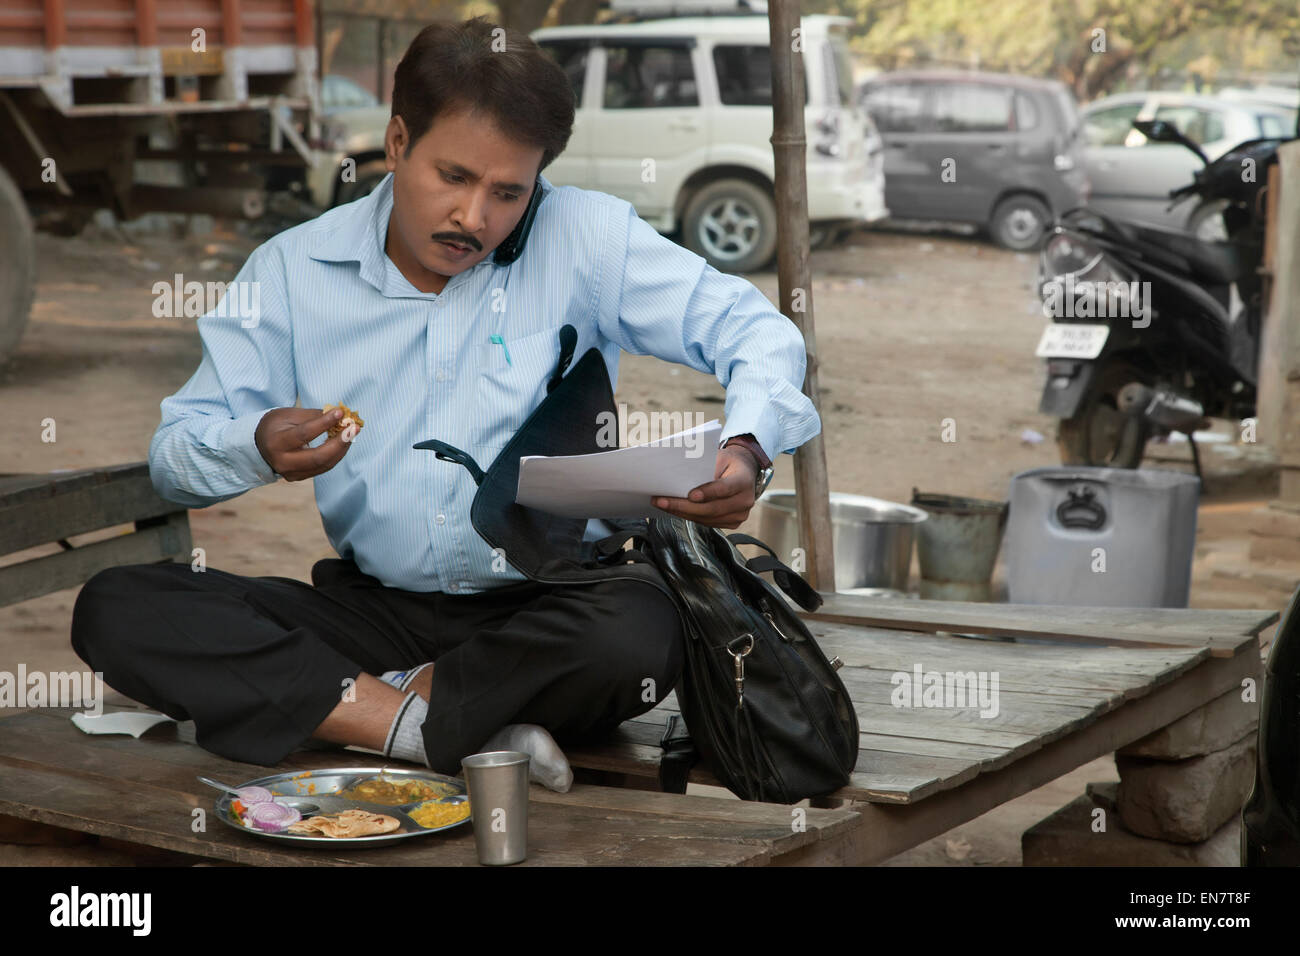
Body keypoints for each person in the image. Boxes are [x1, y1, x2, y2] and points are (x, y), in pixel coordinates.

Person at [70, 17, 821, 790]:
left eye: (508, 192)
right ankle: (431, 728)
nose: (475, 217)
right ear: (396, 144)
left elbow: (756, 330)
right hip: (374, 615)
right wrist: (254, 443)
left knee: (643, 630)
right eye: (453, 177)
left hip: (545, 609)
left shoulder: (587, 239)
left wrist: (749, 446)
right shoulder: (293, 269)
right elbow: (175, 456)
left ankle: (372, 711)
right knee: (120, 606)